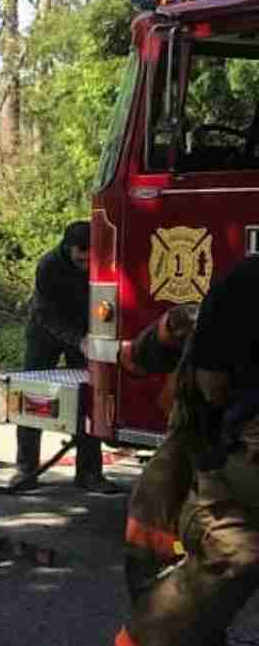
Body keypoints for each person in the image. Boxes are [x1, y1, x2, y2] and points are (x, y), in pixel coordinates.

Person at [115, 255, 259, 646]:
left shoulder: (205, 312)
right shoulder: (212, 313)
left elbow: (134, 359)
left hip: (195, 461)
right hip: (197, 463)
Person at [10, 221, 124, 493]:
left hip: (82, 332)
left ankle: (89, 473)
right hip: (45, 332)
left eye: (90, 257)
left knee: (88, 397)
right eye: (80, 257)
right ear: (68, 248)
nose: (86, 263)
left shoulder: (103, 261)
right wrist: (77, 340)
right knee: (31, 394)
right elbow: (45, 314)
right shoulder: (48, 266)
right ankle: (26, 468)